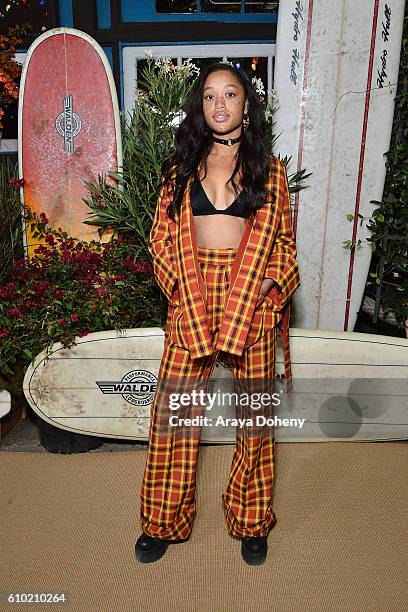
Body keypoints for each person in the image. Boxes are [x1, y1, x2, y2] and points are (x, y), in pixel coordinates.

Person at [135, 62, 301, 566]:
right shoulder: (178, 168)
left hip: (250, 291)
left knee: (255, 419)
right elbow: (161, 242)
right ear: (200, 107)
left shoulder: (271, 171)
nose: (220, 104)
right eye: (210, 96)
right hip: (192, 289)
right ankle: (162, 520)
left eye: (231, 94)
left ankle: (251, 520)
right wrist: (185, 296)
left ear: (246, 106)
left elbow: (285, 247)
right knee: (174, 418)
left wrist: (267, 286)